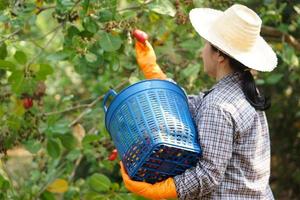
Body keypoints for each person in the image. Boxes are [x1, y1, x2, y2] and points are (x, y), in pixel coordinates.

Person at [119, 4, 277, 199]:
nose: (202, 51)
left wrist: (160, 190)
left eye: (206, 45)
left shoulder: (219, 106)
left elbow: (208, 174)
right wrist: (152, 70)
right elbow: (191, 106)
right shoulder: (241, 90)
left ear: (219, 55)